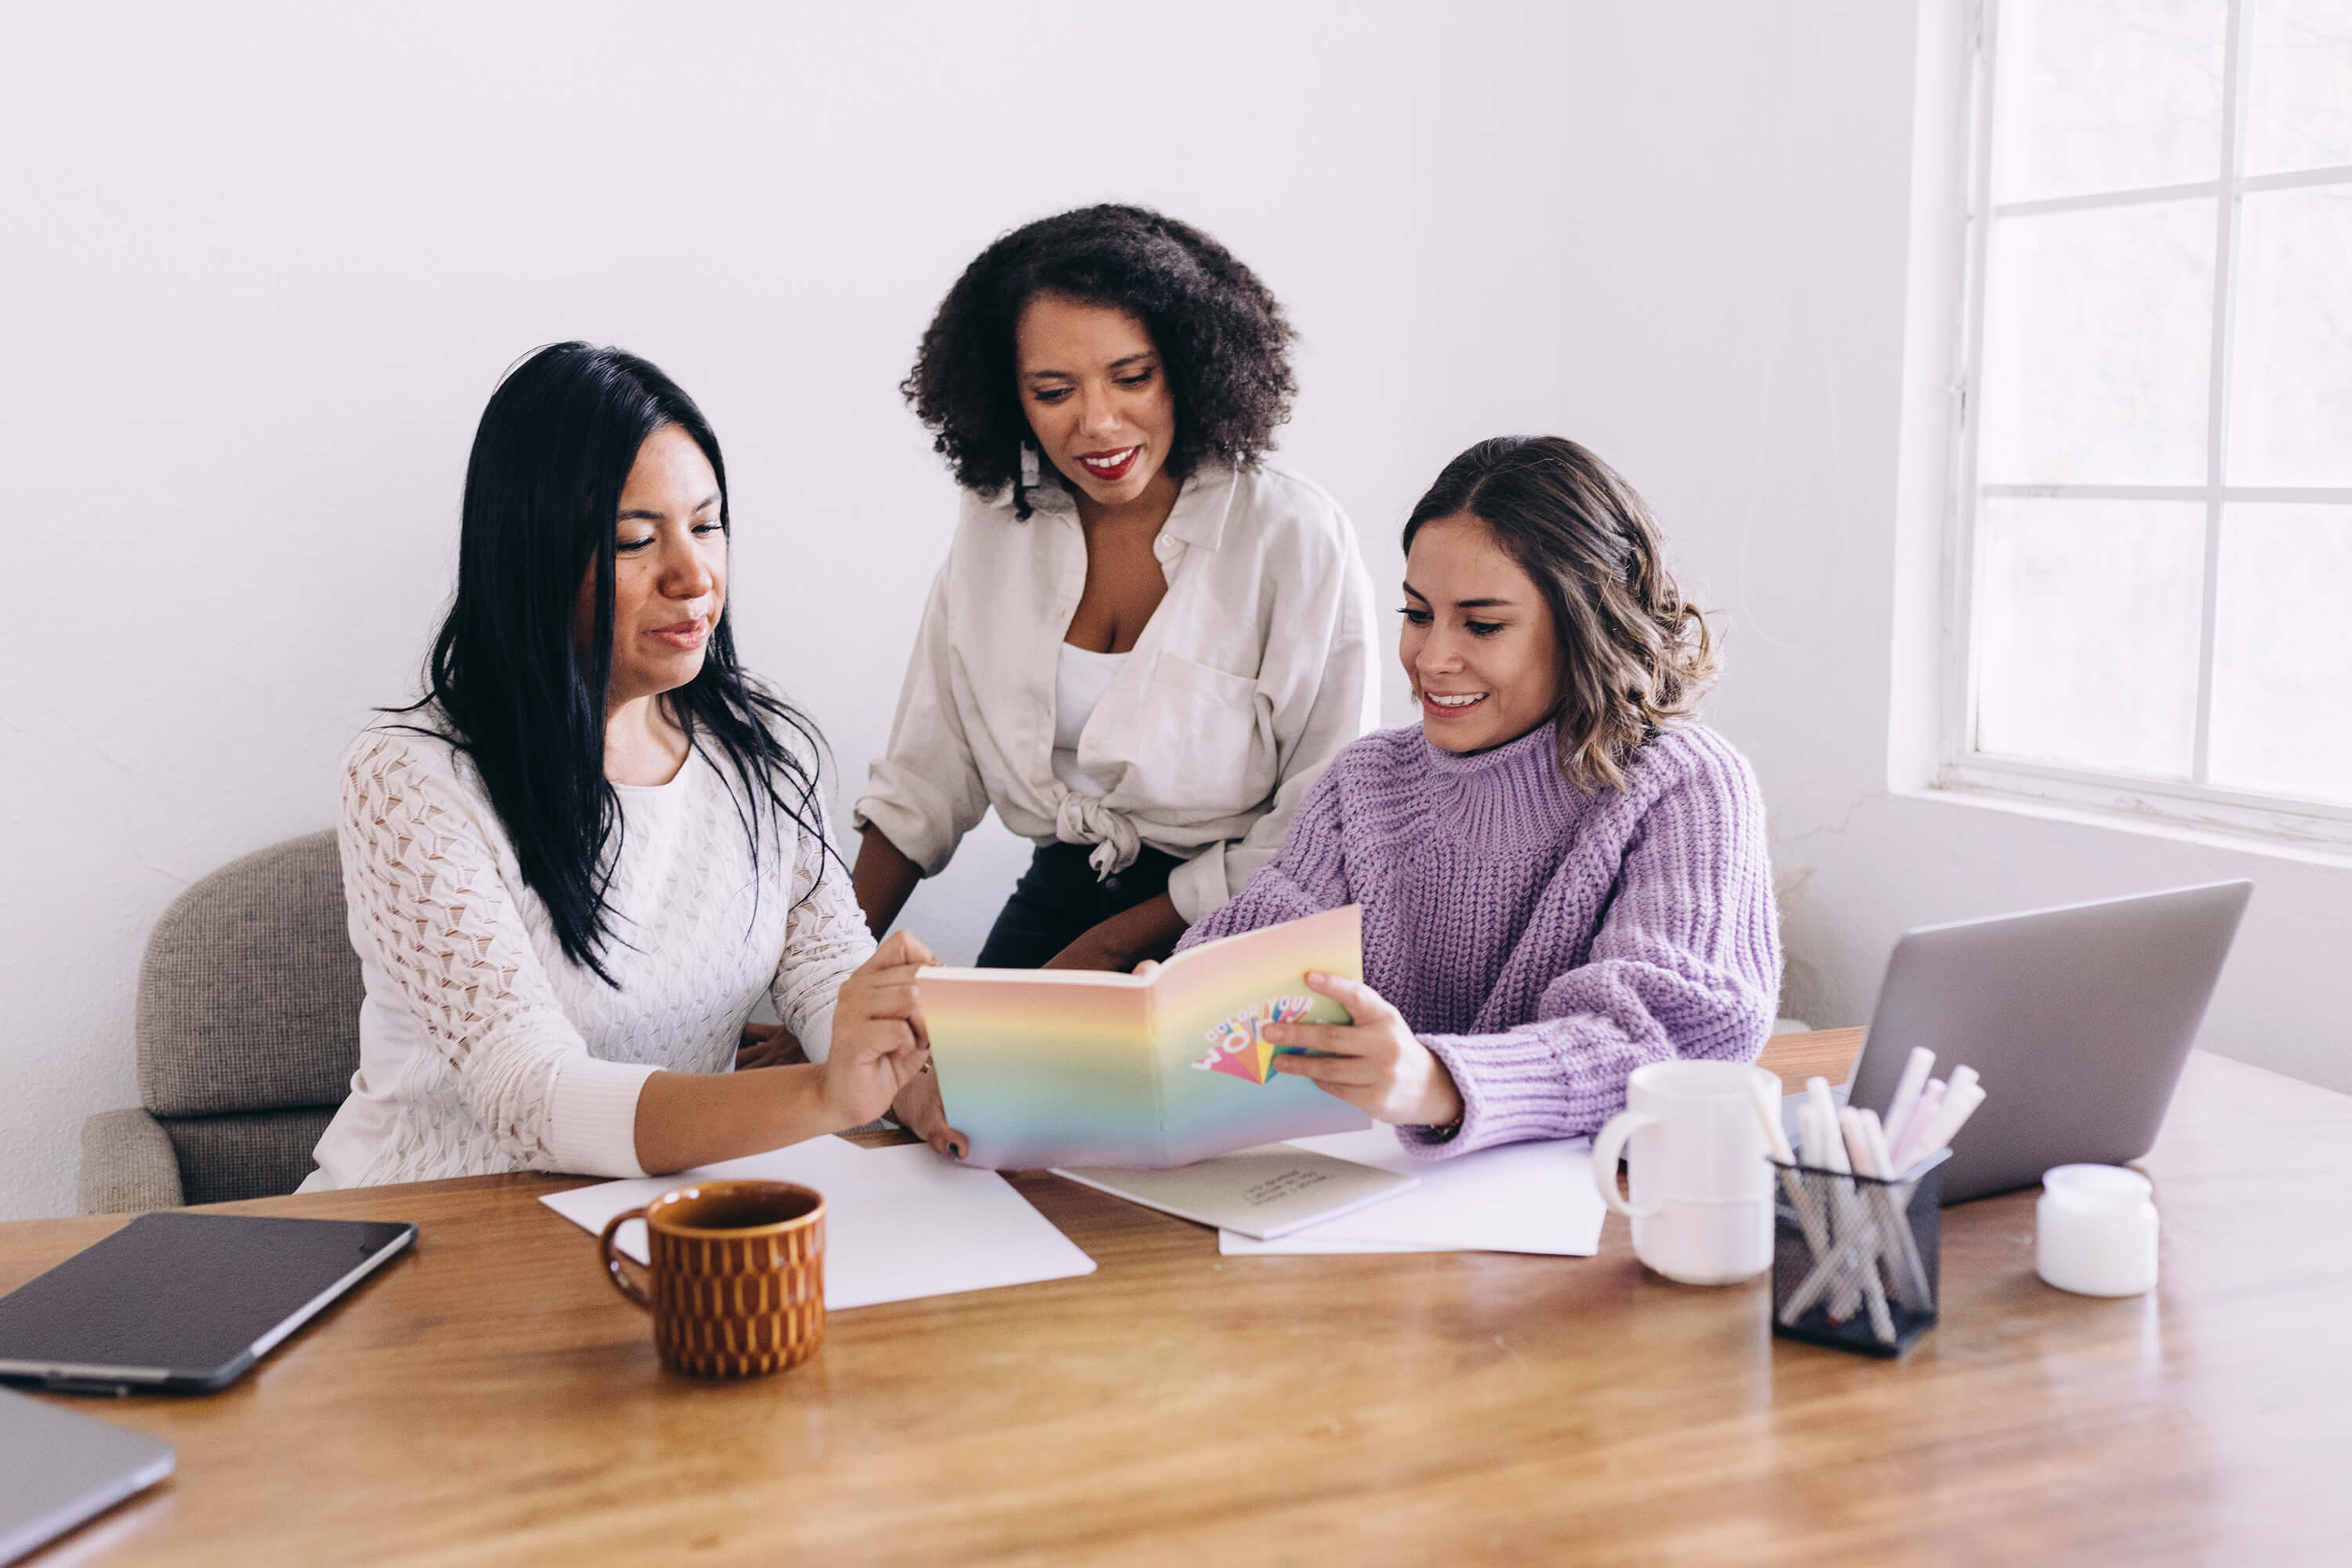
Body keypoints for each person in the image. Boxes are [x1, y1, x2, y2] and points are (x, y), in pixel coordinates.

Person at [302, 343, 933, 1189]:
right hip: (428, 1235)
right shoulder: (408, 781)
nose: (694, 574)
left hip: (658, 1221)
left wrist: (930, 1091)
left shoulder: (762, 753)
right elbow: (533, 1095)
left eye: (707, 526)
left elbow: (829, 983)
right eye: (637, 540)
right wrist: (824, 1092)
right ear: (533, 557)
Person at [855, 205, 1379, 1153]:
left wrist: (1112, 948)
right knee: (965, 1144)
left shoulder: (1292, 536)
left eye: (1131, 376)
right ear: (1008, 396)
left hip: (1242, 921)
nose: (1097, 422)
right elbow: (924, 781)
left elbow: (1326, 820)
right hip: (1064, 898)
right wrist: (832, 993)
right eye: (1052, 389)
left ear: (1192, 361)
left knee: (1202, 1193)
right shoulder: (993, 525)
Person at [1166, 435, 1780, 1157]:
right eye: (1418, 614)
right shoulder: (1362, 784)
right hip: (1372, 1204)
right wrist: (1181, 1003)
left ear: (1589, 627)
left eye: (1482, 625)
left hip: (1591, 1213)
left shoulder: (1687, 785)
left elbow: (1672, 1039)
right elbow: (1264, 949)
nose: (1431, 660)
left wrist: (1441, 1082)